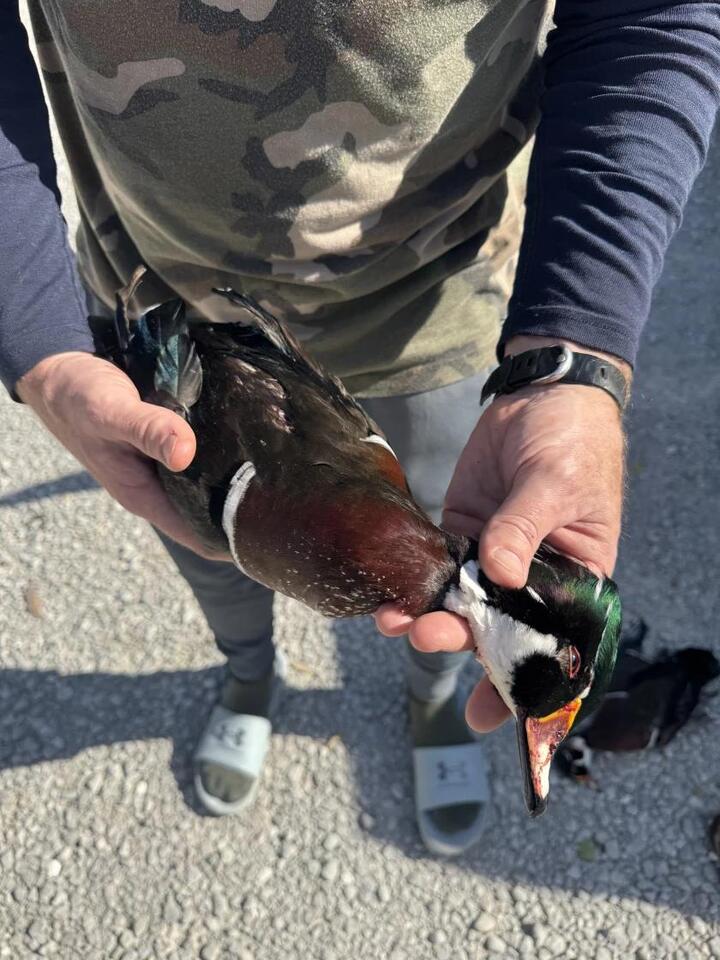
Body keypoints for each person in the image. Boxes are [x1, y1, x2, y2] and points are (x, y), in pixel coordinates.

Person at [1, 1, 718, 853]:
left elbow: (653, 15)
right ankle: (248, 672)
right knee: (206, 541)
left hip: (439, 304)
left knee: (451, 549)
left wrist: (575, 357)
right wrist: (36, 335)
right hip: (163, 281)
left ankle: (432, 696)